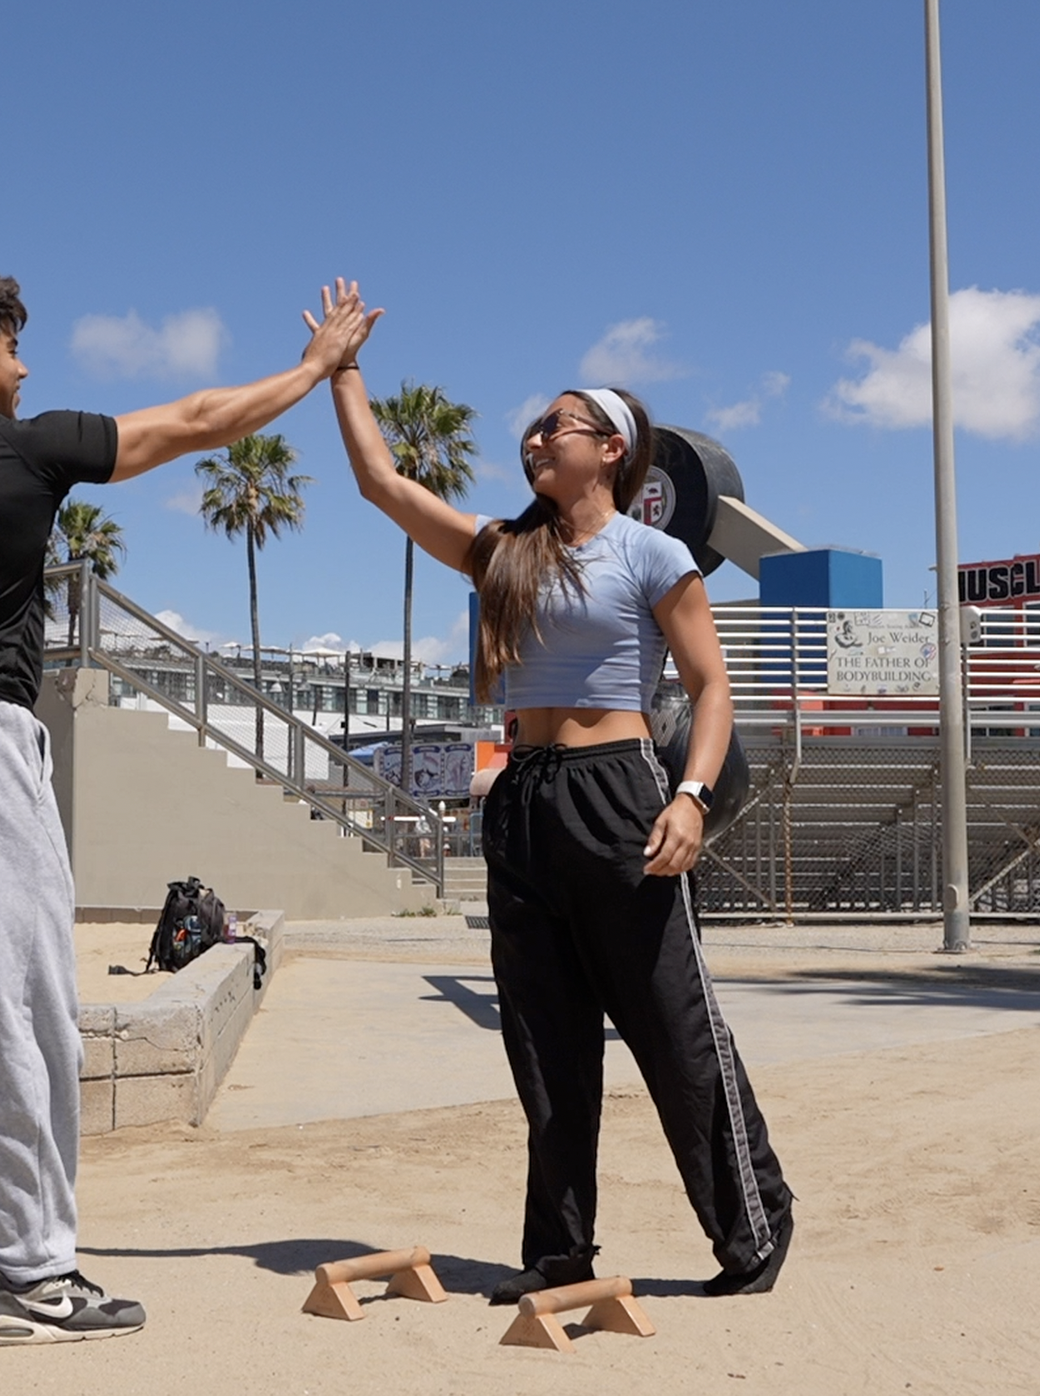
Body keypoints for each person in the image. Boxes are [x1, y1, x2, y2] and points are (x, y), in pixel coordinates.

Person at [0, 269, 377, 1344]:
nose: (23, 366)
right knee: (25, 1000)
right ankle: (33, 1275)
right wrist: (316, 367)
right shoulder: (21, 447)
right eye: (9, 346)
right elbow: (191, 423)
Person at [320, 295, 793, 1304]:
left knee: (674, 1026)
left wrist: (693, 796)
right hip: (524, 804)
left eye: (558, 425)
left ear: (611, 450)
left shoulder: (650, 555)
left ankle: (750, 1227)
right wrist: (342, 370)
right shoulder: (506, 552)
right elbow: (380, 484)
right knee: (545, 1041)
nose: (536, 436)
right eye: (535, 426)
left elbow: (710, 688)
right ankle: (558, 1248)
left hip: (620, 796)